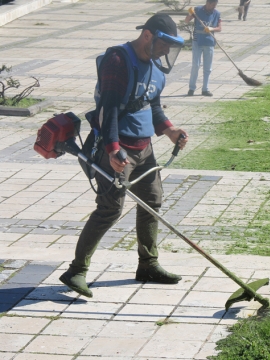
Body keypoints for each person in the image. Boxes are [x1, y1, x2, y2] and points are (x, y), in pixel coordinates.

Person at [59, 14, 190, 298]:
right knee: (110, 209)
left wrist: (170, 130)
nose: (167, 51)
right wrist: (112, 149)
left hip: (144, 148)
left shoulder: (155, 66)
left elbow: (152, 106)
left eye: (171, 46)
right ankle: (76, 271)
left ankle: (148, 265)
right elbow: (108, 110)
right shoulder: (118, 61)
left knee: (152, 202)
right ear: (147, 35)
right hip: (117, 147)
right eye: (164, 44)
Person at [185, 0, 221, 97]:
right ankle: (191, 88)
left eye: (215, 5)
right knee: (196, 65)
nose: (214, 7)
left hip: (209, 42)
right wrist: (190, 13)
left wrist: (211, 29)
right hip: (197, 41)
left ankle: (205, 89)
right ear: (207, 3)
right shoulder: (197, 10)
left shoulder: (216, 13)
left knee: (207, 68)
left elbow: (219, 28)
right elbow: (187, 20)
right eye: (212, 5)